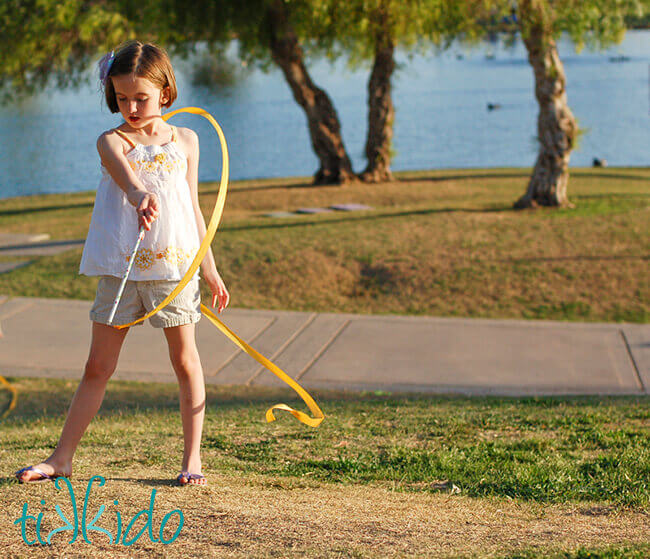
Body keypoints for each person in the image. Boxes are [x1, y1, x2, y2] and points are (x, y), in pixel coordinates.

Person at [14, 40, 229, 487]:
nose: (130, 107)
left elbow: (192, 208)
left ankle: (192, 460)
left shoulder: (186, 140)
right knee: (98, 366)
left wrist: (209, 268)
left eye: (141, 97)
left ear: (165, 93)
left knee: (186, 361)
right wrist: (138, 194)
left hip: (174, 270)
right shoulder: (111, 140)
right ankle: (61, 458)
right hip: (123, 269)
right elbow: (126, 177)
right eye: (122, 97)